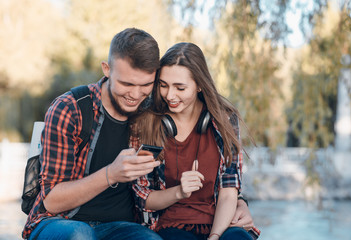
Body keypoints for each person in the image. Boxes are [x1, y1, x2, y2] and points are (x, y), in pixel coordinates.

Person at [22, 28, 163, 240]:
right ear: (106, 69)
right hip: (60, 222)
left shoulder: (150, 112)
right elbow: (51, 201)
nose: (135, 95)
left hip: (121, 227)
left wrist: (232, 201)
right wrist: (111, 174)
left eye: (145, 85)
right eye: (127, 84)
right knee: (81, 235)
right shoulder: (70, 109)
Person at [132, 42, 258, 240]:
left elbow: (228, 191)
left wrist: (215, 236)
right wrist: (179, 192)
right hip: (170, 226)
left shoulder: (225, 120)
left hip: (221, 222)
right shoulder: (147, 124)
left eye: (180, 88)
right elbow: (144, 199)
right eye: (163, 85)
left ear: (199, 85)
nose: (170, 95)